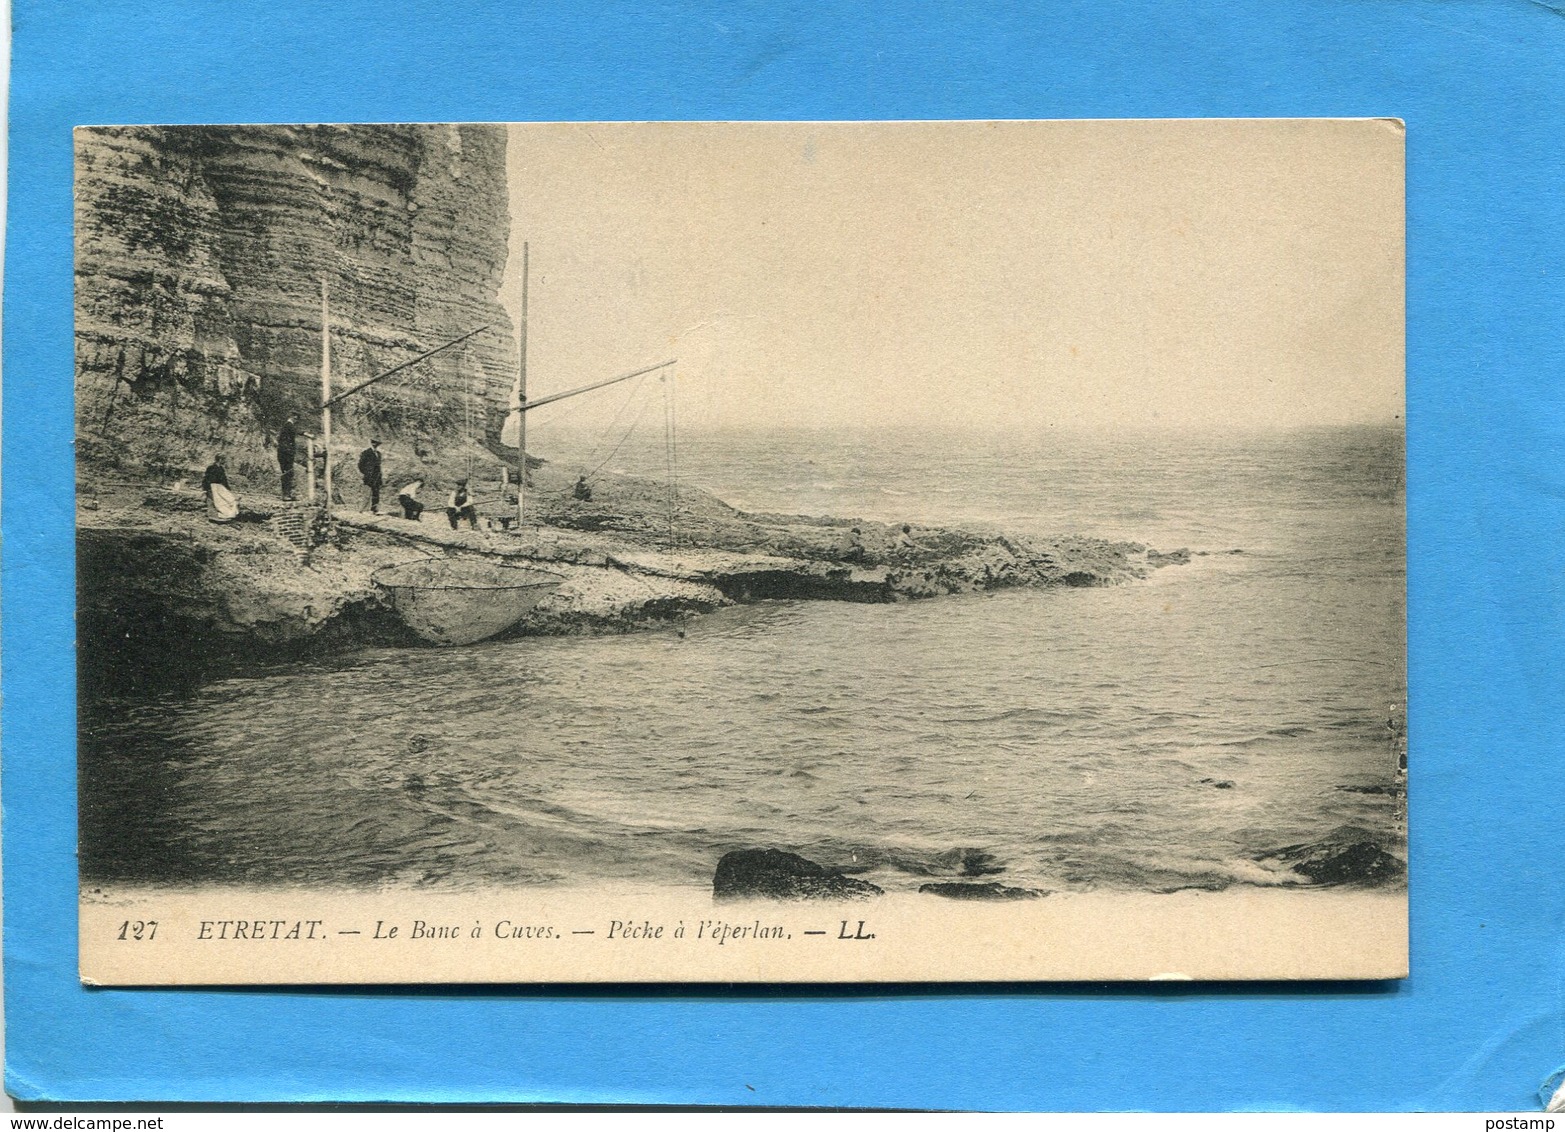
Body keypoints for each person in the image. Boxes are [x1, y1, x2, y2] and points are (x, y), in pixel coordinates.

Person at [201, 453, 238, 523]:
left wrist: (227, 488)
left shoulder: (221, 468)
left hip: (218, 487)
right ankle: (212, 516)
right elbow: (206, 478)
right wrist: (206, 488)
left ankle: (220, 515)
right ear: (220, 459)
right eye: (223, 459)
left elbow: (224, 480)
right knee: (211, 501)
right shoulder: (211, 468)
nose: (224, 461)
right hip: (211, 486)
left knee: (221, 501)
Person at [357, 439, 383, 513]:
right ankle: (363, 510)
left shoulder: (379, 454)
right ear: (371, 443)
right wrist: (367, 473)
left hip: (377, 477)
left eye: (377, 443)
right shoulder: (366, 453)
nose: (375, 444)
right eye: (374, 442)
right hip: (369, 477)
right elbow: (360, 465)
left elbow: (378, 466)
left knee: (376, 494)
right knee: (367, 494)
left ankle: (374, 510)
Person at [276, 416, 298, 500]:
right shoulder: (289, 425)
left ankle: (287, 494)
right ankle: (286, 495)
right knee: (287, 473)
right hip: (286, 454)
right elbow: (294, 431)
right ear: (294, 418)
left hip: (283, 453)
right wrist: (304, 433)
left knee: (287, 473)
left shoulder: (286, 426)